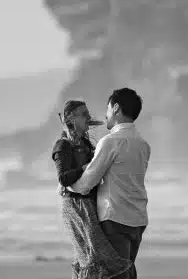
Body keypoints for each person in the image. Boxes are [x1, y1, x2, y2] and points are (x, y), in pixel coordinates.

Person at [67, 88, 150, 279]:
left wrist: (67, 185)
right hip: (138, 219)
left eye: (107, 109)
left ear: (116, 108)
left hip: (115, 219)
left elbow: (87, 182)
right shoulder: (143, 145)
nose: (105, 115)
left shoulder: (111, 142)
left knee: (114, 275)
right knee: (125, 271)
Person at [53, 99, 132, 279]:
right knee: (93, 256)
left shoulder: (86, 145)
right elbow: (63, 178)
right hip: (75, 206)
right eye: (84, 114)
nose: (89, 118)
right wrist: (87, 167)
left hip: (90, 203)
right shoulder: (63, 145)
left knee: (92, 255)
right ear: (71, 118)